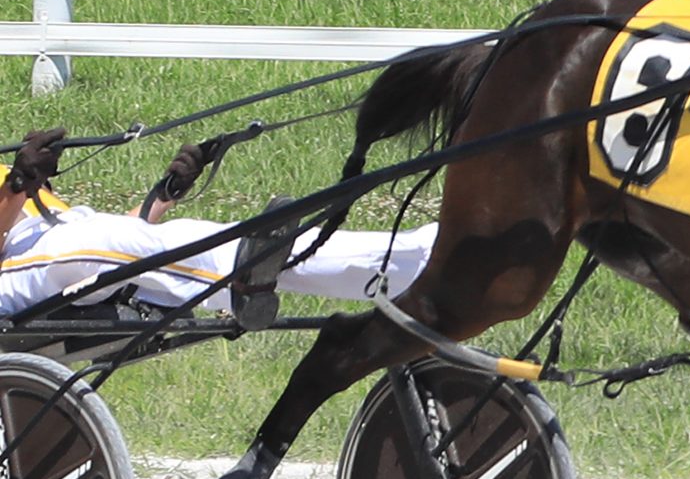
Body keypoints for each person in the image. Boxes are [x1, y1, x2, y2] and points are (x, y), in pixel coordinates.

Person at [0, 127, 436, 325]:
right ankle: (238, 281)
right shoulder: (13, 184)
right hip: (14, 275)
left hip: (74, 248)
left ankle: (419, 260)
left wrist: (164, 195)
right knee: (103, 243)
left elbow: (128, 238)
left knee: (235, 240)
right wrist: (19, 185)